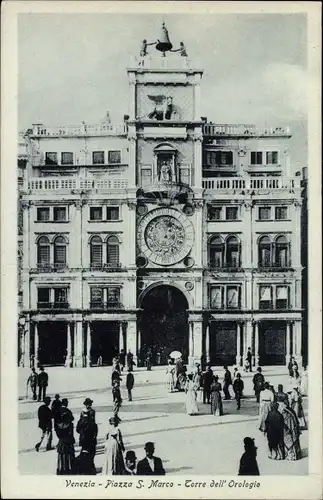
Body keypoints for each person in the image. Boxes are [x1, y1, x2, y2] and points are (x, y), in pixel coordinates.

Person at [56, 398, 75, 475]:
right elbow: (72, 419)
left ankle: (61, 469)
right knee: (69, 454)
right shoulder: (68, 412)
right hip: (68, 438)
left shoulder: (58, 411)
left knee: (61, 454)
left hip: (61, 439)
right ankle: (68, 468)